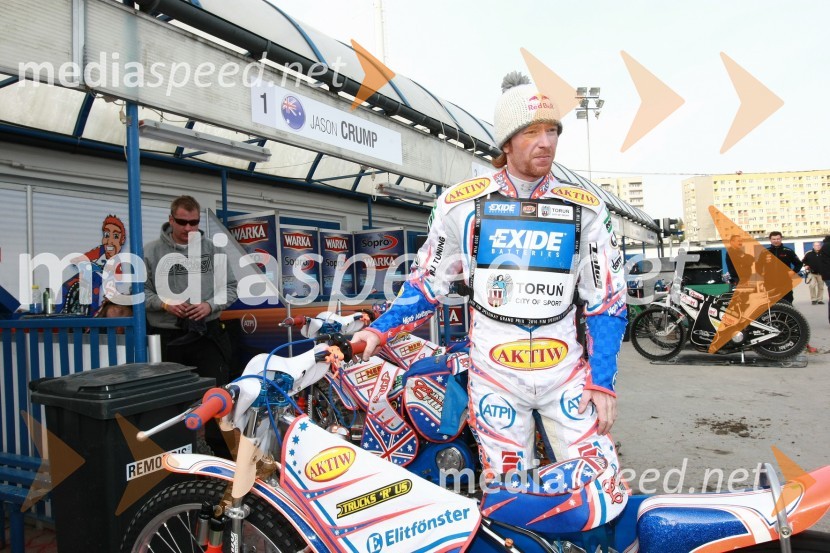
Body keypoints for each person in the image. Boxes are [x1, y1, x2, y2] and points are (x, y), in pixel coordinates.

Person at [352, 73, 628, 510]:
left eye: (552, 130)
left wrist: (603, 380)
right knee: (507, 497)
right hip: (495, 374)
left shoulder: (586, 207)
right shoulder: (461, 204)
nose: (546, 142)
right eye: (532, 132)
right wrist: (379, 331)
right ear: (506, 142)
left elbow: (606, 299)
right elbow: (428, 282)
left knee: (602, 490)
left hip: (565, 371)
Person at [144, 196, 238, 453]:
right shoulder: (150, 252)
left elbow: (231, 288)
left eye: (193, 223)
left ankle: (222, 460)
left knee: (216, 398)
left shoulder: (213, 250)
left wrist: (209, 305)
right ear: (170, 219)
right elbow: (139, 293)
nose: (188, 229)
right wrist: (165, 304)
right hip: (166, 339)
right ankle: (170, 458)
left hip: (206, 336)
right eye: (182, 222)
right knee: (168, 402)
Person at [755, 231, 802, 304]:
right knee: (772, 303)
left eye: (778, 239)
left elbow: (799, 264)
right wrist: (763, 275)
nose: (776, 241)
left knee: (787, 302)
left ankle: (788, 315)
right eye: (774, 239)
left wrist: (793, 272)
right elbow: (758, 266)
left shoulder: (788, 251)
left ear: (781, 239)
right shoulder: (765, 252)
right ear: (770, 240)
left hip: (785, 282)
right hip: (769, 283)